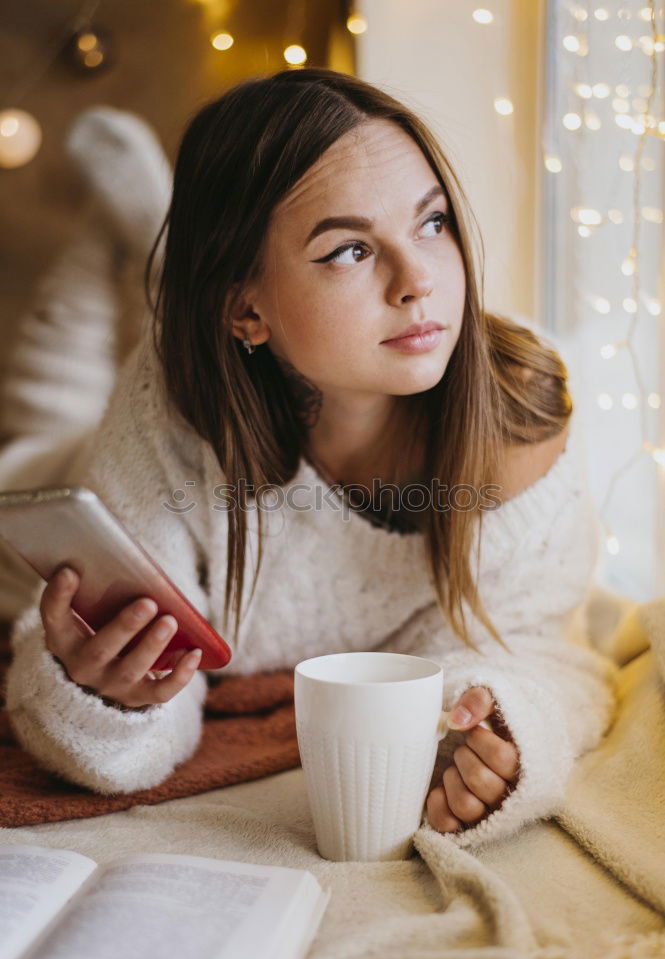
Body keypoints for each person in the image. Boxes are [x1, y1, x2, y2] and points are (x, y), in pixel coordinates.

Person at [4, 68, 618, 849]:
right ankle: (135, 231)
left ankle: (160, 236)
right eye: (350, 249)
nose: (418, 281)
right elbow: (130, 726)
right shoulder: (171, 403)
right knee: (50, 409)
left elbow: (543, 652)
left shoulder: (516, 420)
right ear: (246, 309)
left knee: (177, 305)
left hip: (244, 337)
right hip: (48, 474)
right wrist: (109, 701)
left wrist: (505, 726)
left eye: (431, 224)